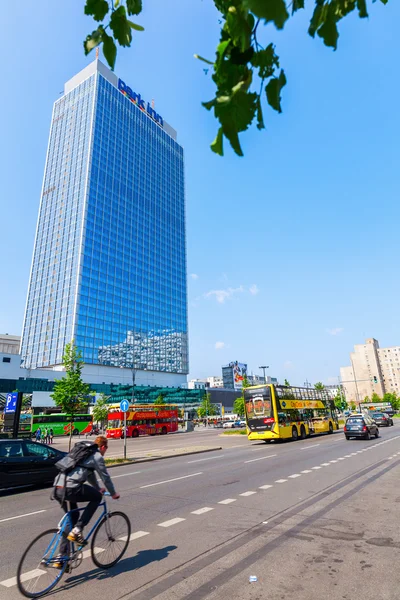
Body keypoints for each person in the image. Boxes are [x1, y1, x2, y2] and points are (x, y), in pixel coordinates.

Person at [53, 436, 119, 564]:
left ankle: (62, 557)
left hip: (58, 487)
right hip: (70, 488)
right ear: (103, 447)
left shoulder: (84, 454)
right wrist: (113, 493)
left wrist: (97, 487)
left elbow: (89, 474)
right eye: (106, 449)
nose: (105, 452)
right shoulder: (97, 456)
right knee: (97, 498)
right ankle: (78, 530)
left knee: (72, 517)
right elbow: (105, 477)